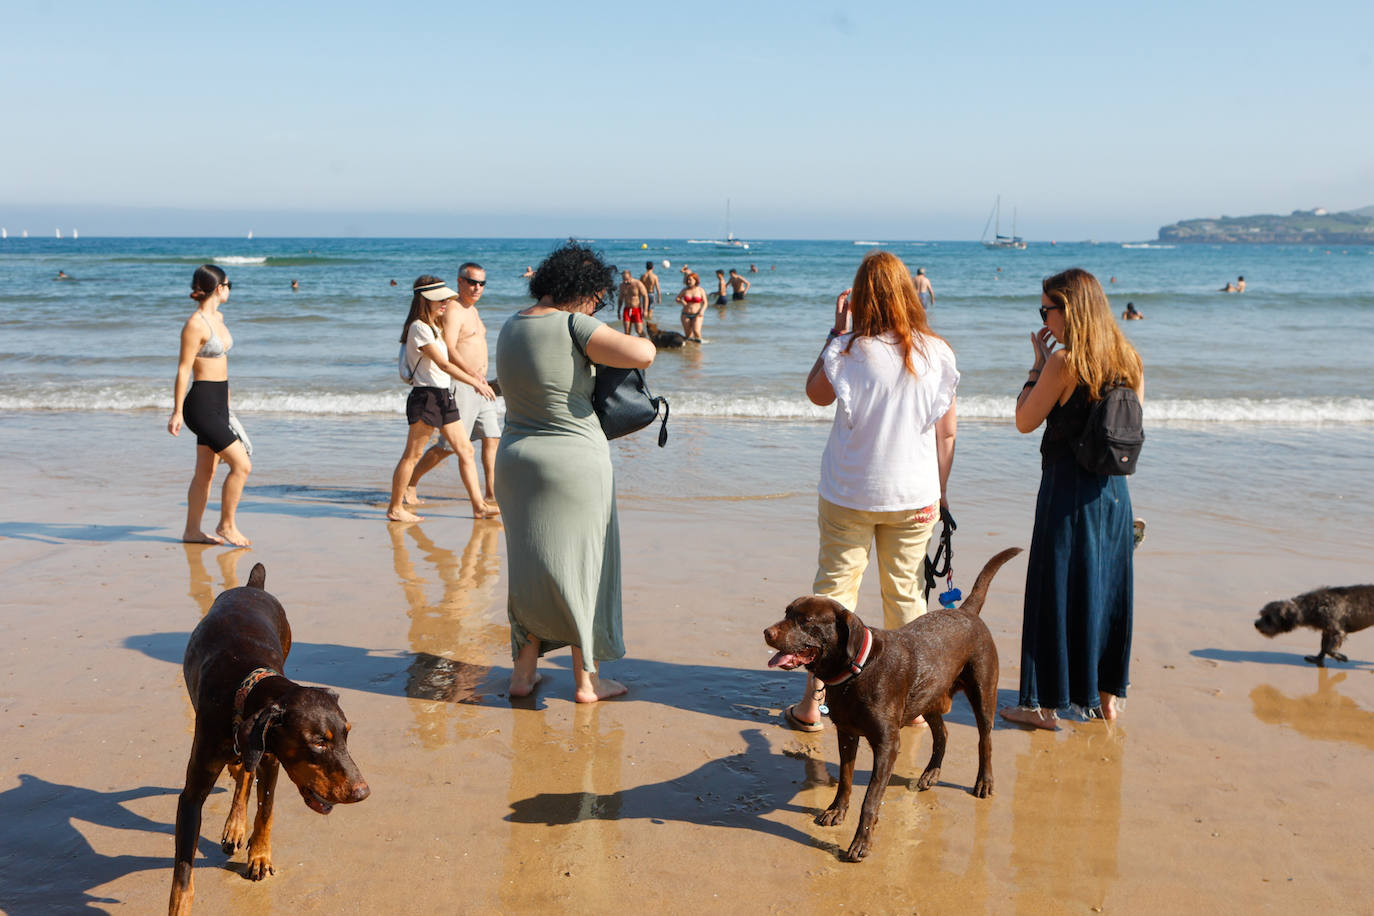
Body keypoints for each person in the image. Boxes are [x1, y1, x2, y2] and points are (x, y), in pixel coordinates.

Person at [782, 250, 959, 733]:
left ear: (860, 298)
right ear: (910, 293)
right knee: (906, 596)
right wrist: (940, 493)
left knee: (834, 593)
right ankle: (913, 705)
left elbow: (816, 394)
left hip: (848, 491)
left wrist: (836, 332)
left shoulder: (849, 348)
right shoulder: (937, 351)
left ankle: (812, 705)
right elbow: (946, 433)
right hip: (915, 494)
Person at [494, 241, 656, 703]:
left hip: (514, 460)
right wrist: (619, 326)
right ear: (583, 290)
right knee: (587, 568)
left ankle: (522, 676)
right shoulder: (575, 323)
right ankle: (587, 681)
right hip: (572, 463)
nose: (597, 304)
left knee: (529, 572)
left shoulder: (510, 325)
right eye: (597, 297)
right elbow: (643, 354)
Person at [1000, 268, 1143, 730]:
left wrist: (1037, 366)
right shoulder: (1130, 359)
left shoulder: (1065, 363)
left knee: (1053, 591)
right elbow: (1128, 431)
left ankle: (1041, 706)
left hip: (1067, 490)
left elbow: (1024, 420)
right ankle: (1105, 699)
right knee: (1106, 592)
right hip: (1115, 495)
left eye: (1047, 309)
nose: (1043, 318)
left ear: (1070, 310)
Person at [387, 276, 498, 522]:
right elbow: (443, 364)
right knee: (412, 455)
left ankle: (479, 506)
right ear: (426, 300)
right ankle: (395, 507)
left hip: (443, 396)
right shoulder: (419, 327)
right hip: (426, 397)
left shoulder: (434, 327)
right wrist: (476, 382)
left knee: (465, 450)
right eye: (441, 300)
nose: (446, 303)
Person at [167, 264, 253, 546]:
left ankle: (191, 531)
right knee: (242, 466)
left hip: (219, 402)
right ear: (220, 288)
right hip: (201, 404)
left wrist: (228, 409)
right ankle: (227, 525)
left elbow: (222, 364)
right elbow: (183, 369)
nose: (230, 290)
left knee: (206, 472)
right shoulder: (195, 324)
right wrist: (177, 411)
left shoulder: (219, 317)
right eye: (230, 285)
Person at [676, 271, 708, 342]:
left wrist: (702, 311)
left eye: (690, 279)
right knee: (688, 335)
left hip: (697, 314)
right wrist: (681, 301)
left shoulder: (700, 290)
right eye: (688, 279)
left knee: (696, 331)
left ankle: (699, 347)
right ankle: (691, 351)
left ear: (695, 280)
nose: (688, 281)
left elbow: (705, 303)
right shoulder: (685, 290)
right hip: (685, 314)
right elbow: (677, 299)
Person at [617, 269, 650, 336]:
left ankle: (645, 341)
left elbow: (645, 296)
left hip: (637, 309)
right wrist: (618, 311)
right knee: (627, 331)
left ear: (630, 276)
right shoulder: (622, 285)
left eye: (626, 279)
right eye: (623, 279)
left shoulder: (637, 283)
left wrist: (645, 310)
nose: (625, 281)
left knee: (639, 331)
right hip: (627, 309)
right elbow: (620, 299)